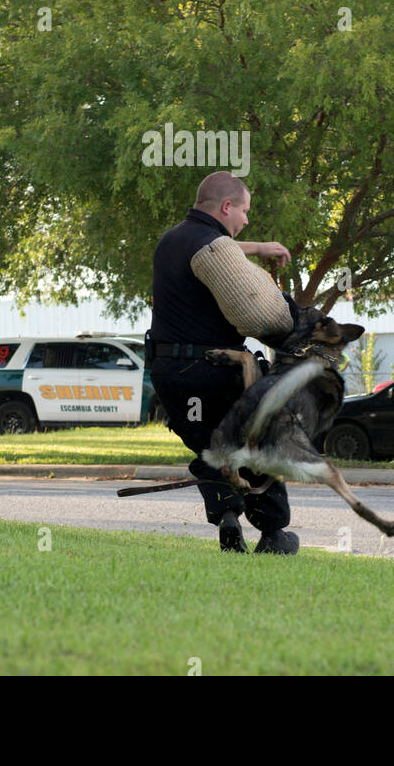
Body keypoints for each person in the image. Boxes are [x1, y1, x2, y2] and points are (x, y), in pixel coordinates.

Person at [148, 170, 300, 554]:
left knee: (210, 447)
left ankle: (228, 516)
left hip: (170, 375)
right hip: (216, 370)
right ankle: (272, 533)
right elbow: (255, 306)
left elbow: (213, 245)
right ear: (226, 206)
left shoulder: (171, 241)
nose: (246, 219)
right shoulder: (213, 249)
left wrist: (259, 246)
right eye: (244, 211)